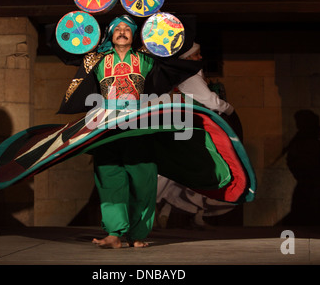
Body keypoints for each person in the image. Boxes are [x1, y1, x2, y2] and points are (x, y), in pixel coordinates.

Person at [49, 15, 202, 248]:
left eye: (127, 29)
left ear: (135, 34)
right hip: (105, 124)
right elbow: (66, 43)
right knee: (109, 176)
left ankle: (138, 233)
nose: (122, 31)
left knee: (143, 179)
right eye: (117, 28)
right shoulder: (96, 59)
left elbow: (174, 43)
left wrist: (158, 22)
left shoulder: (146, 58)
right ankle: (114, 233)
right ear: (110, 34)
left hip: (137, 124)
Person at [156, 42, 239, 229]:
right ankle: (147, 207)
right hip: (187, 127)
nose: (200, 58)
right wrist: (230, 109)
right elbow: (212, 102)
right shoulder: (190, 74)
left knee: (189, 170)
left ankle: (174, 212)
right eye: (196, 55)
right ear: (187, 58)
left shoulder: (177, 72)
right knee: (182, 170)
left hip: (182, 125)